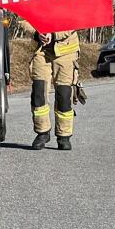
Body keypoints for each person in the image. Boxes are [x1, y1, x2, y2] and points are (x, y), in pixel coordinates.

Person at [22, 22, 81, 150]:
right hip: (41, 51)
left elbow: (74, 20)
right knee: (39, 92)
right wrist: (37, 34)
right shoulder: (34, 0)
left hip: (67, 52)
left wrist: (53, 35)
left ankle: (63, 136)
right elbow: (24, 20)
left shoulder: (70, 1)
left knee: (64, 95)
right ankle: (42, 132)